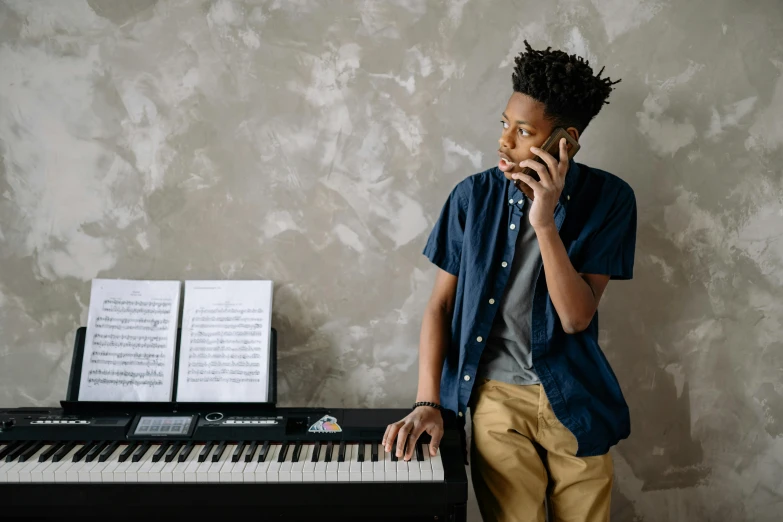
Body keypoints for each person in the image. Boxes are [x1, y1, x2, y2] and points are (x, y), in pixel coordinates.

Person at [383, 41, 636, 522]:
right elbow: (439, 307)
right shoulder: (470, 198)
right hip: (496, 402)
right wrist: (427, 400)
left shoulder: (611, 199)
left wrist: (545, 222)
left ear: (565, 139)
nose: (505, 142)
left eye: (523, 132)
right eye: (505, 125)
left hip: (576, 398)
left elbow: (577, 316)